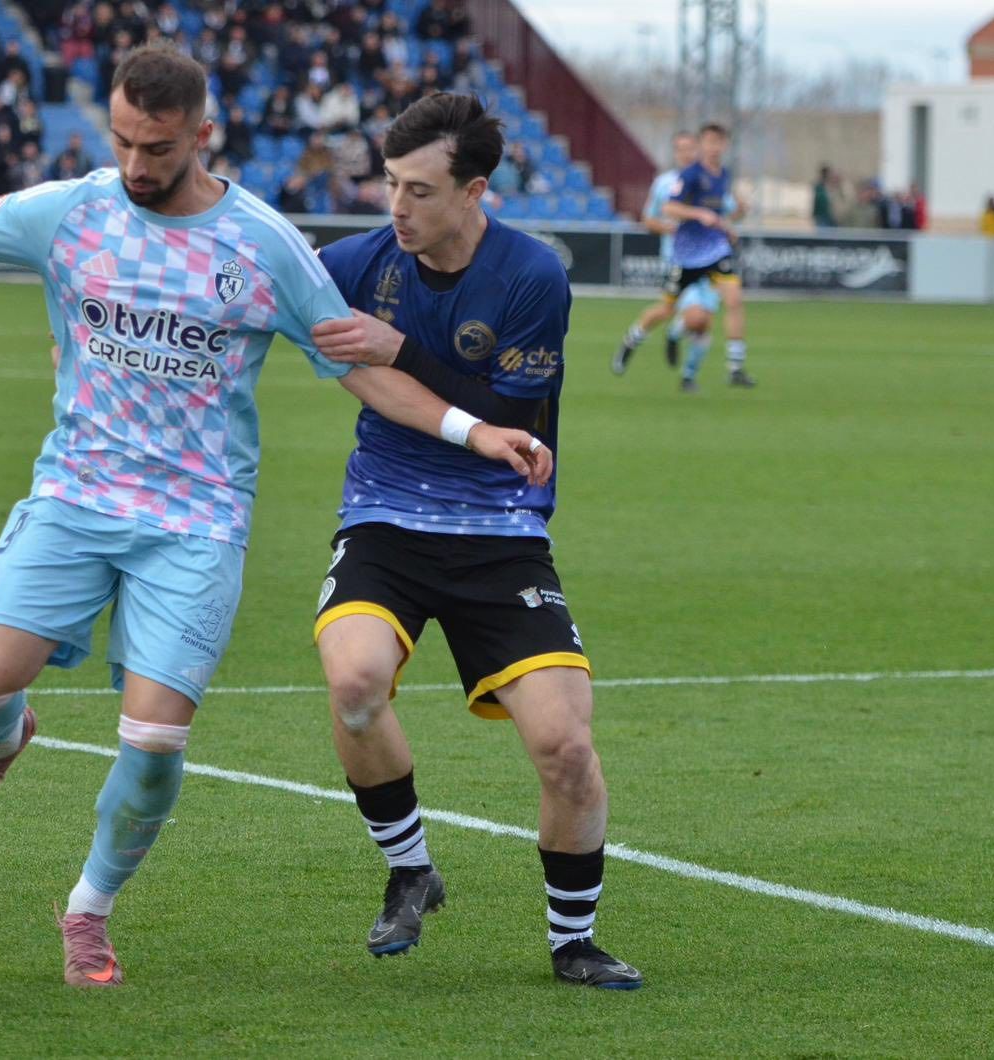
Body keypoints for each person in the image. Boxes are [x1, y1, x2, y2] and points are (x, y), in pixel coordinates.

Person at [0, 44, 546, 989]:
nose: (136, 164)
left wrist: (474, 430)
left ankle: (88, 911)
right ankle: (2, 738)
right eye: (122, 140)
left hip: (196, 522)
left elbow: (356, 366)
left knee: (153, 742)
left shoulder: (264, 245)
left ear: (203, 134)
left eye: (156, 146)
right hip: (74, 496)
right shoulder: (71, 211)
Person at [305, 92, 640, 990]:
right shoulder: (358, 261)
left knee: (566, 747)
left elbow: (504, 415)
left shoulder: (533, 275)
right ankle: (411, 866)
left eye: (419, 190)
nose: (397, 208)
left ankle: (574, 943)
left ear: (474, 191)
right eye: (389, 185)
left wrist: (398, 346)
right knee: (355, 683)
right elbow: (260, 277)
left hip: (501, 531)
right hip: (384, 515)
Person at [612, 130, 730, 385]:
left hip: (710, 259)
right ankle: (632, 340)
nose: (686, 153)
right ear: (675, 153)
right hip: (679, 260)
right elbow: (649, 220)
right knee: (673, 312)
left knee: (703, 321)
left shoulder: (710, 178)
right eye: (681, 149)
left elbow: (726, 212)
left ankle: (688, 376)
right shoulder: (665, 183)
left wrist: (733, 217)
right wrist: (673, 228)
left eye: (690, 148)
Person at [661, 123, 754, 388]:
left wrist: (730, 223)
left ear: (725, 145)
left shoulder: (724, 175)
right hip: (688, 256)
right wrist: (698, 214)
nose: (715, 147)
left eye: (720, 142)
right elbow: (670, 207)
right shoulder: (690, 175)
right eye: (710, 142)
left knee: (734, 300)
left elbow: (719, 214)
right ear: (701, 145)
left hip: (716, 251)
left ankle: (735, 367)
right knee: (693, 318)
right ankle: (675, 333)